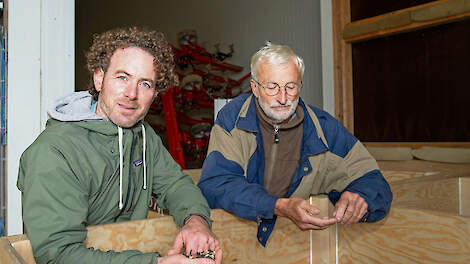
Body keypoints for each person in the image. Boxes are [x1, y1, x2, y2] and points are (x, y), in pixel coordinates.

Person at [17, 27, 221, 264]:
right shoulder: (54, 152)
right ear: (99, 78)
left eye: (145, 84)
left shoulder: (144, 136)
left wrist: (196, 221)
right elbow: (57, 255)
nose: (131, 93)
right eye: (122, 77)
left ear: (155, 93)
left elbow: (175, 184)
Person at [197, 42, 392, 246]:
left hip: (297, 246)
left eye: (291, 87)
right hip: (235, 242)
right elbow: (216, 184)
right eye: (272, 87)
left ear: (300, 85)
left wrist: (361, 196)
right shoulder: (232, 120)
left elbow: (373, 180)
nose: (283, 98)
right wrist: (278, 206)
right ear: (254, 87)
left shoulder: (325, 130)